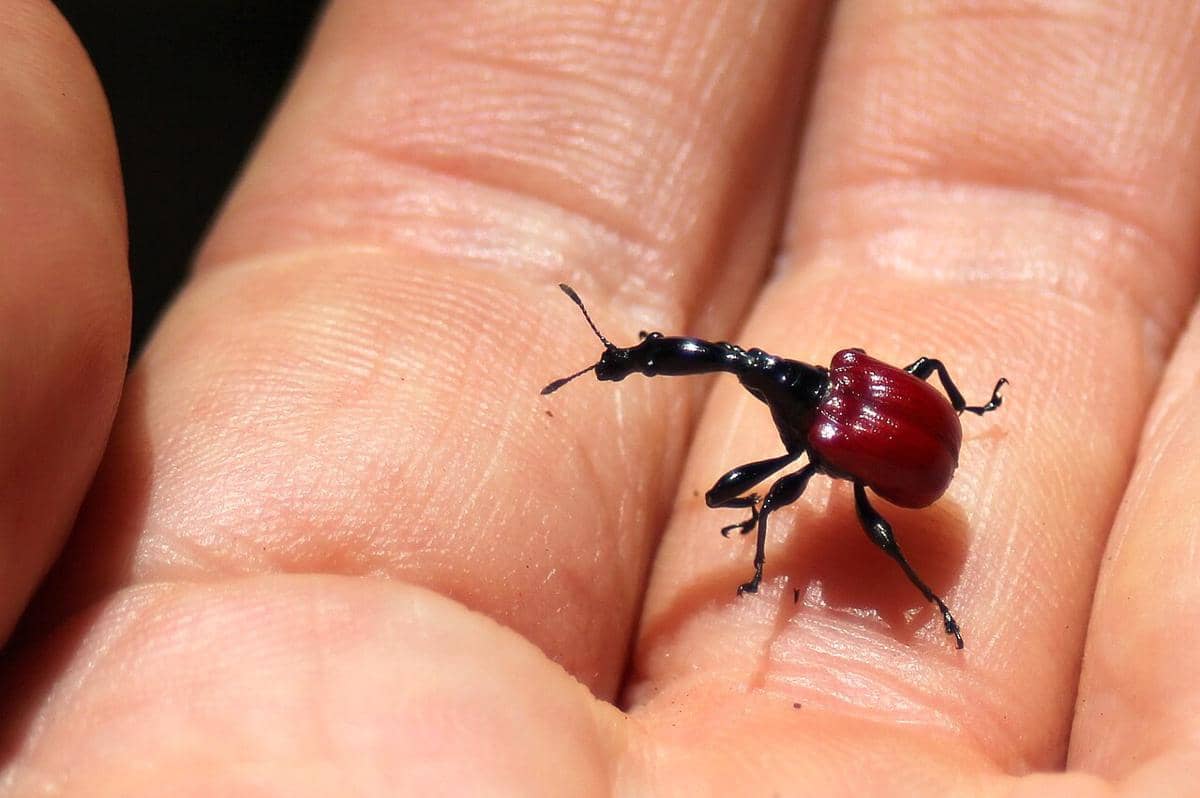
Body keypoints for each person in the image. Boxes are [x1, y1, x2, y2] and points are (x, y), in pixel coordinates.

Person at [0, 0, 1195, 793]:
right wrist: (641, 363)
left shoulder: (830, 419)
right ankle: (908, 534)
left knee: (784, 508)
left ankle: (933, 600)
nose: (716, 366)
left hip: (914, 473)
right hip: (892, 450)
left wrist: (779, 542)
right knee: (779, 490)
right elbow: (729, 377)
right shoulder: (828, 395)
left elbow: (790, 484)